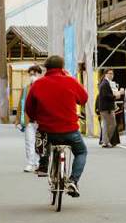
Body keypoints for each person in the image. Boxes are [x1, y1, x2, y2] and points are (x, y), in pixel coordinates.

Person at [24, 55, 89, 196]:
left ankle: (43, 165)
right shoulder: (70, 81)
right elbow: (83, 98)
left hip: (47, 130)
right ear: (62, 67)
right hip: (70, 130)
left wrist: (36, 118)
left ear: (46, 68)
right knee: (81, 152)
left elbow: (29, 107)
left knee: (43, 137)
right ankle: (73, 180)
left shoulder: (38, 84)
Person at [18, 64, 43, 172]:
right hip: (29, 120)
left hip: (42, 120)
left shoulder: (44, 86)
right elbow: (21, 104)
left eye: (35, 73)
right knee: (29, 141)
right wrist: (18, 119)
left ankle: (38, 162)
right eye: (31, 74)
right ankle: (30, 163)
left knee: (40, 142)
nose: (33, 76)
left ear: (39, 74)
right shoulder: (26, 88)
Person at [96, 69, 117, 148]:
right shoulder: (105, 83)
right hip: (107, 108)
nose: (111, 75)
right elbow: (107, 96)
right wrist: (116, 95)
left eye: (112, 73)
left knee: (105, 125)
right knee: (112, 124)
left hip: (104, 108)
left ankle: (105, 141)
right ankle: (106, 141)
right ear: (105, 74)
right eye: (110, 73)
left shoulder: (104, 83)